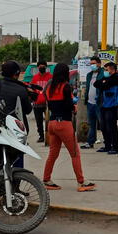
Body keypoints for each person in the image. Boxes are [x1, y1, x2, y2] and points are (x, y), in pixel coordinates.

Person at [42, 63, 95, 192]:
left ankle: (46, 180)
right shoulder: (65, 87)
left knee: (53, 154)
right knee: (75, 154)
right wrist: (74, 108)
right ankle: (81, 182)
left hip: (52, 123)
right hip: (64, 123)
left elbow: (47, 100)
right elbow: (68, 105)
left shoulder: (49, 86)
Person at [0, 61, 33, 168]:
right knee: (17, 162)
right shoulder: (21, 89)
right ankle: (15, 183)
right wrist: (29, 97)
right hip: (15, 132)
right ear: (16, 74)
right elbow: (27, 110)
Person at [93, 62, 118, 154]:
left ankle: (115, 147)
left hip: (112, 106)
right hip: (103, 105)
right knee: (103, 126)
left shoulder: (117, 77)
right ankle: (107, 145)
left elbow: (106, 84)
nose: (105, 72)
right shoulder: (106, 78)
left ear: (112, 69)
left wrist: (104, 83)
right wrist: (103, 82)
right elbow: (96, 83)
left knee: (111, 126)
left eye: (106, 70)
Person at [81, 56, 104, 149]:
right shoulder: (89, 75)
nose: (92, 65)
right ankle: (90, 142)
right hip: (90, 103)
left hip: (99, 103)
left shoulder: (102, 74)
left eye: (94, 63)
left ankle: (108, 142)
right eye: (91, 64)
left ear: (99, 64)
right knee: (91, 124)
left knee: (103, 123)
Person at [30, 61, 53, 142]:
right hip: (37, 104)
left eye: (43, 67)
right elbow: (32, 89)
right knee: (39, 121)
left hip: (48, 103)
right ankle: (41, 136)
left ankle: (50, 136)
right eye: (40, 67)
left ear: (46, 67)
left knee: (49, 121)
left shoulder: (50, 77)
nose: (41, 68)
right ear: (38, 68)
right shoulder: (35, 77)